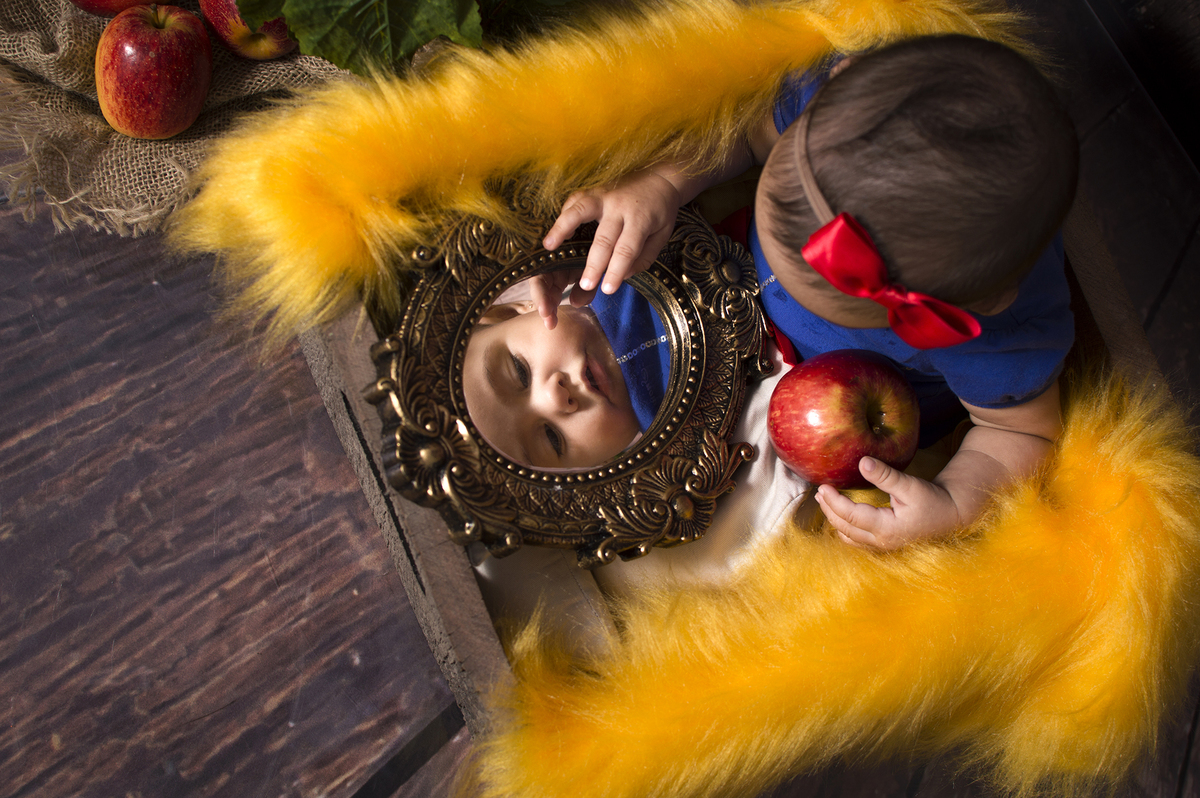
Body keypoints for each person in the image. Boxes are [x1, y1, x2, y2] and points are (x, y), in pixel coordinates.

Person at [536, 33, 1080, 551]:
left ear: (980, 305)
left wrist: (954, 502)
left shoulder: (996, 331)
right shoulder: (835, 118)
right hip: (718, 280)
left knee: (728, 526)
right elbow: (750, 134)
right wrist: (665, 183)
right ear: (841, 78)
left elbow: (1023, 434)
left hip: (838, 420)